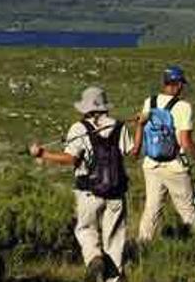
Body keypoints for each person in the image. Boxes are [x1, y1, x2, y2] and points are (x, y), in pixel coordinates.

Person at [29, 86, 132, 282]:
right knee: (115, 240)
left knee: (85, 230)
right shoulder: (119, 126)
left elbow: (71, 159)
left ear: (85, 108)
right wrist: (142, 126)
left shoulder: (78, 128)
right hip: (116, 193)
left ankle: (94, 259)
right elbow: (132, 152)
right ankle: (114, 277)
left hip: (88, 192)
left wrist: (42, 154)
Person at [131, 65, 195, 243]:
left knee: (151, 209)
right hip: (175, 167)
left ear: (164, 83)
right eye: (182, 84)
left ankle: (142, 247)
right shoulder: (183, 107)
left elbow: (141, 126)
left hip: (151, 164)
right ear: (178, 84)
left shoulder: (149, 102)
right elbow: (185, 142)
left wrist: (136, 150)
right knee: (186, 210)